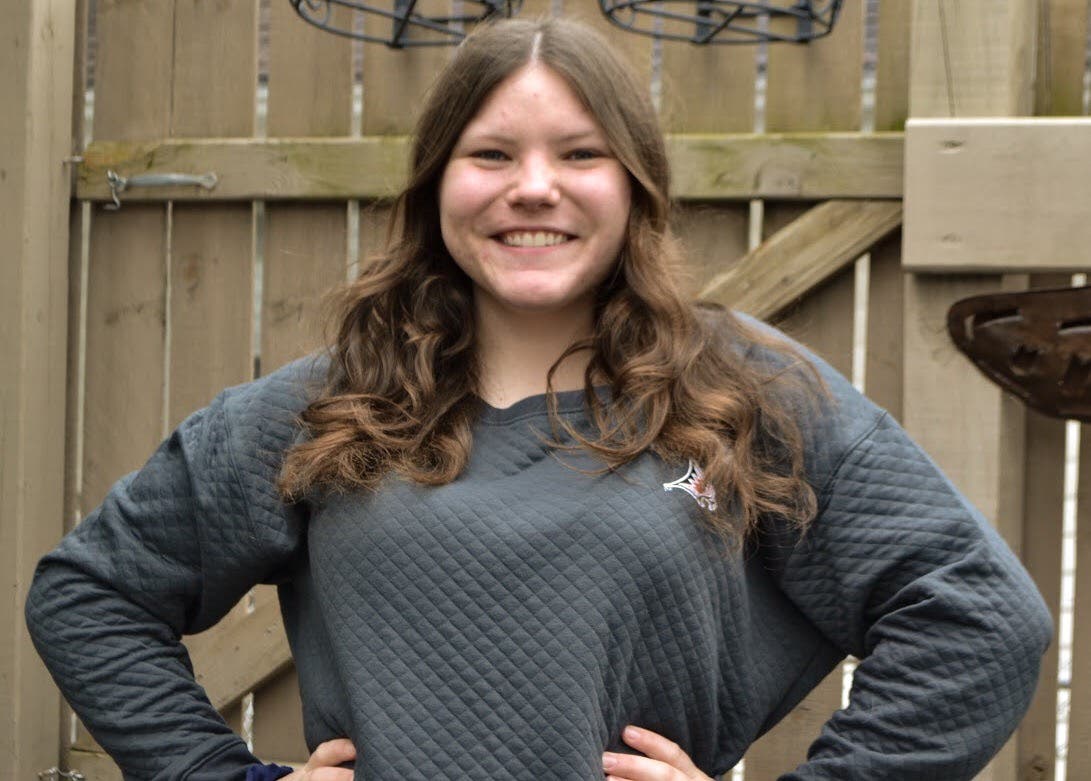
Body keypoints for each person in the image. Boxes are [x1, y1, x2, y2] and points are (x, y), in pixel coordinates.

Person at [26, 16, 1051, 781]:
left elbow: (979, 620)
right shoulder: (331, 403)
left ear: (634, 185)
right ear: (437, 185)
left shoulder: (745, 389)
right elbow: (90, 594)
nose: (532, 186)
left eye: (578, 154)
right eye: (490, 154)